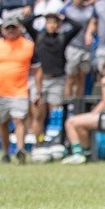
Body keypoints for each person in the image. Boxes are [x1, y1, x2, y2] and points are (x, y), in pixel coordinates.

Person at [0, 17, 39, 163]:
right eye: (8, 28)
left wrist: (37, 89)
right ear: (3, 30)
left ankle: (20, 149)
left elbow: (37, 69)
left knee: (19, 120)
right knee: (3, 122)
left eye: (13, 28)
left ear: (19, 28)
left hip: (20, 90)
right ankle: (5, 153)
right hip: (0, 90)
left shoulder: (28, 45)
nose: (11, 31)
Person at [61, 60, 105, 165]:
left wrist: (104, 87)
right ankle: (86, 154)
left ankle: (78, 154)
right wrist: (91, 115)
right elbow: (103, 103)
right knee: (78, 124)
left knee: (70, 122)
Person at [25, 13, 81, 144]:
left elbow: (77, 26)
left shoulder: (62, 38)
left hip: (57, 80)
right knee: (38, 115)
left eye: (55, 23)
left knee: (55, 114)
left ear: (59, 25)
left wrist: (65, 18)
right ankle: (39, 142)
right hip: (40, 80)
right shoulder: (38, 36)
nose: (52, 25)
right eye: (49, 22)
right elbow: (26, 22)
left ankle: (54, 142)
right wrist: (39, 15)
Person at [62, 0, 94, 97]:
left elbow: (93, 22)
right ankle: (67, 103)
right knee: (70, 76)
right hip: (72, 46)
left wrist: (89, 33)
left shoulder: (90, 9)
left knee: (82, 76)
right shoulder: (66, 10)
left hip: (86, 47)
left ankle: (78, 104)